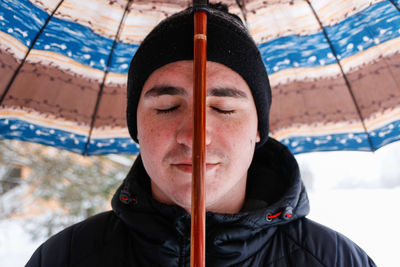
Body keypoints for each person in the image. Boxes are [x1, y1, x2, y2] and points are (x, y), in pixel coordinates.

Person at [27, 4, 376, 267]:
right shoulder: (66, 257)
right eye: (166, 107)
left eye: (223, 109)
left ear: (258, 128)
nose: (195, 138)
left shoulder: (333, 260)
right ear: (136, 127)